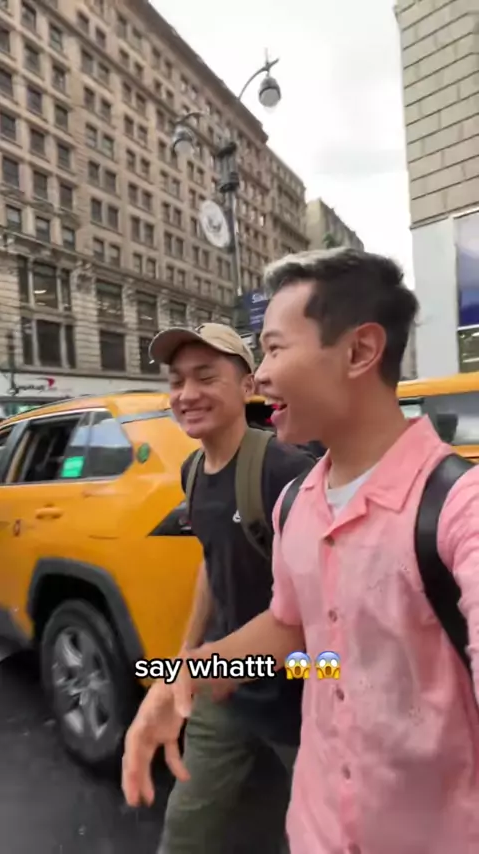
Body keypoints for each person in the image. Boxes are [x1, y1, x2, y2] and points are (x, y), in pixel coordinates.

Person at [165, 249, 479, 854]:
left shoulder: (456, 508)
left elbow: (318, 653)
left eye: (274, 350)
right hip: (313, 825)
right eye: (176, 381)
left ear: (360, 351)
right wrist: (191, 667)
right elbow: (288, 620)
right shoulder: (295, 501)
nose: (262, 375)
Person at [122, 322, 315, 853]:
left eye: (206, 377)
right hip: (221, 687)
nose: (187, 394)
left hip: (304, 697)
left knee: (326, 834)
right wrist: (186, 658)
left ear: (248, 386)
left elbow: (323, 601)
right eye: (176, 381)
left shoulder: (285, 470)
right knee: (187, 831)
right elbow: (213, 563)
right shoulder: (192, 471)